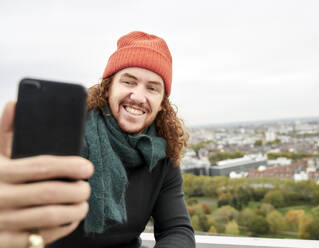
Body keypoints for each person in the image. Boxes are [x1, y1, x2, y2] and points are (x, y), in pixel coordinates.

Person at [0, 31, 195, 248]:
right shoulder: (66, 138)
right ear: (108, 88)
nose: (139, 97)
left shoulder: (161, 157)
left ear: (161, 103)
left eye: (152, 88)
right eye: (129, 82)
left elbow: (177, 229)